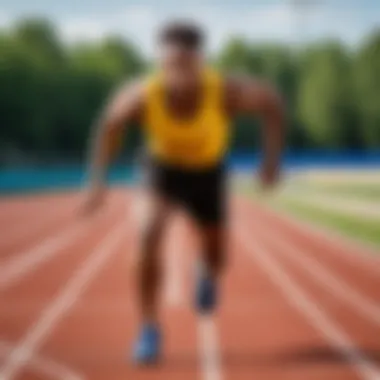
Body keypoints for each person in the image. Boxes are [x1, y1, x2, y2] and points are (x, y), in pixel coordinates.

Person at [82, 20, 285, 365]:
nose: (177, 74)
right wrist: (98, 182)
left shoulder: (225, 91)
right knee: (147, 233)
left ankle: (205, 271)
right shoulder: (141, 96)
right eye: (169, 65)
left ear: (199, 63)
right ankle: (148, 328)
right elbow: (109, 126)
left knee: (218, 257)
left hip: (208, 173)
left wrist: (270, 161)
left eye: (185, 66)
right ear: (160, 63)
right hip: (161, 171)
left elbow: (272, 104)